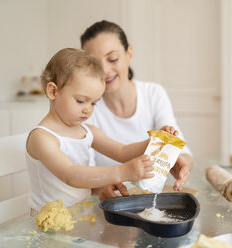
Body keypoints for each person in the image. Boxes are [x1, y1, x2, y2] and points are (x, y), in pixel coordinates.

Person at [25, 48, 177, 212]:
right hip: (46, 223)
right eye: (81, 100)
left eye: (93, 103)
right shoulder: (42, 138)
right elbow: (70, 175)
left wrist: (157, 141)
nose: (88, 109)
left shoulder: (87, 131)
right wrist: (123, 172)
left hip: (78, 214)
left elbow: (122, 151)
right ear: (53, 91)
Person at [80, 20, 194, 200]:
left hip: (151, 201)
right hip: (109, 206)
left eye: (113, 59)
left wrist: (178, 161)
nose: (105, 71)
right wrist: (101, 187)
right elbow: (84, 173)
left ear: (129, 53)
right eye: (95, 64)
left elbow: (183, 150)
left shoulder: (153, 94)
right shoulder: (85, 109)